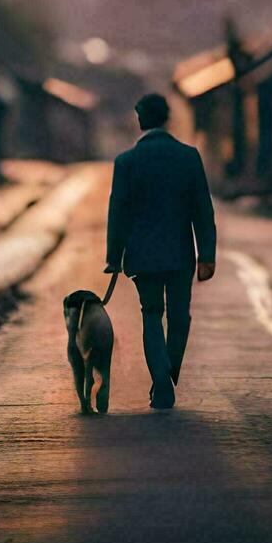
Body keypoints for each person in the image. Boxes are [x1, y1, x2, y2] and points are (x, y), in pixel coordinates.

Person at [105, 93, 217, 410]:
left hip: (142, 255)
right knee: (180, 317)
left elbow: (119, 211)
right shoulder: (188, 156)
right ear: (167, 118)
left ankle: (162, 382)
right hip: (180, 254)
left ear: (141, 118)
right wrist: (206, 254)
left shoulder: (126, 162)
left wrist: (114, 257)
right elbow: (202, 209)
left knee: (151, 315)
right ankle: (168, 375)